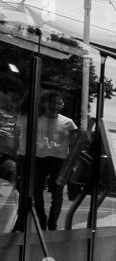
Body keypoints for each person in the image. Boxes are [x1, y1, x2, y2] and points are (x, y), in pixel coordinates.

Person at [32, 91, 77, 230]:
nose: (58, 105)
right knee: (36, 191)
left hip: (59, 160)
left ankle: (52, 223)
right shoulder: (37, 119)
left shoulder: (67, 122)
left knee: (57, 193)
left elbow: (76, 141)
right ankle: (42, 219)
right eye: (56, 102)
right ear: (48, 103)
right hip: (40, 158)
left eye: (60, 103)